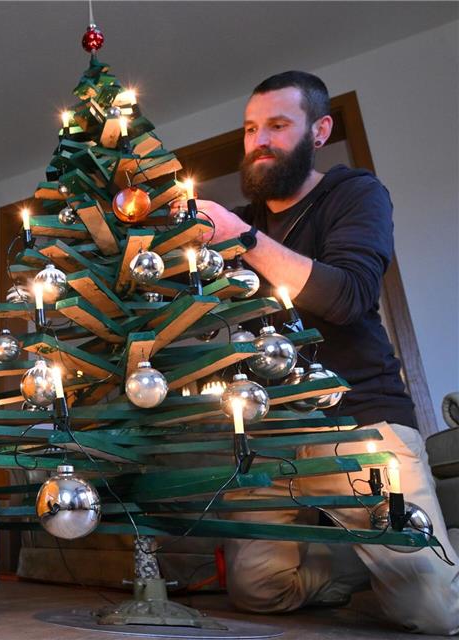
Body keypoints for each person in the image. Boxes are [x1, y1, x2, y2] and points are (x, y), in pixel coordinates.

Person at [171, 71, 459, 635]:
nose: (259, 141)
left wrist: (241, 238)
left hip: (362, 425)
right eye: (252, 128)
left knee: (434, 614)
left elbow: (348, 297)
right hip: (273, 437)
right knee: (257, 591)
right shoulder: (241, 226)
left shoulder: (355, 193)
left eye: (277, 125)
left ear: (319, 130)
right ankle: (352, 562)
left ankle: (399, 566)